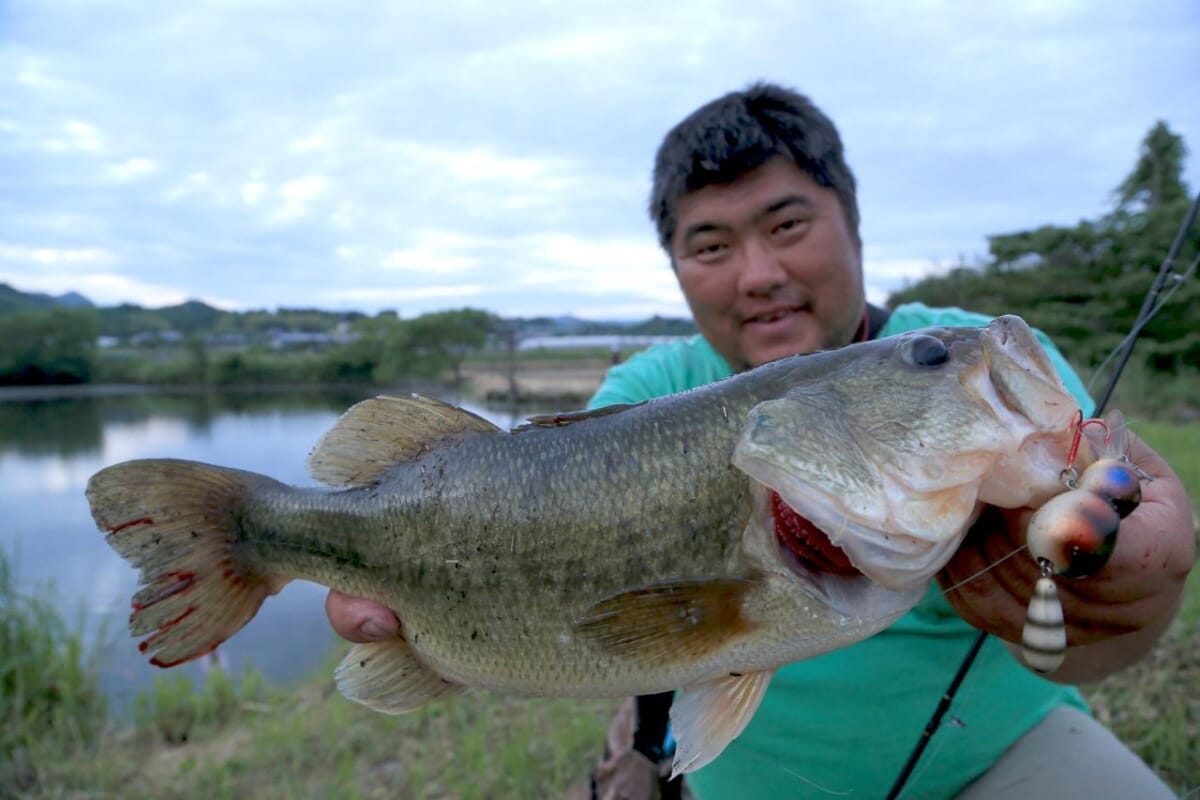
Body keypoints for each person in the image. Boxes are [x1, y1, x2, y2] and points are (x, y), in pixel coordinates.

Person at [326, 83, 1195, 798]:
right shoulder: (647, 395)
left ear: (853, 225)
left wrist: (1125, 603)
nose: (758, 274)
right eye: (710, 243)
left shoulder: (980, 362)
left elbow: (1097, 646)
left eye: (787, 226)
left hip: (999, 755)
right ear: (675, 267)